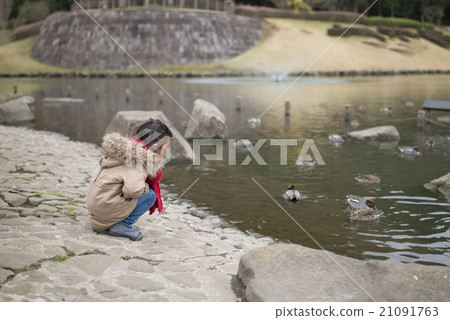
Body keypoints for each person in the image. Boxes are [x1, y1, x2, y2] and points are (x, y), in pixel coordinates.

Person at [87, 118, 172, 241]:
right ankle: (122, 224)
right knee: (150, 195)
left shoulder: (125, 150)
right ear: (154, 146)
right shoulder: (137, 160)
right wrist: (144, 186)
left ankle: (113, 218)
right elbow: (132, 190)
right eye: (164, 149)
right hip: (104, 209)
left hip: (98, 206)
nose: (164, 153)